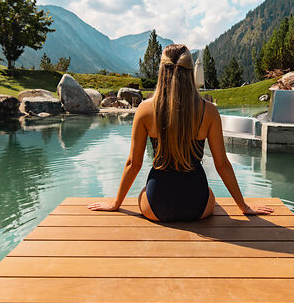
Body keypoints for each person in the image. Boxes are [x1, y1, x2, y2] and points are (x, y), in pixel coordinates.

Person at [87, 44, 273, 221]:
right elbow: (222, 164)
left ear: (162, 71)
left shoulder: (145, 110)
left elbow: (133, 164)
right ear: (190, 71)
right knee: (212, 195)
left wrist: (116, 203)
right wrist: (243, 206)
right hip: (198, 207)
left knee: (143, 193)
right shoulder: (208, 111)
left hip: (155, 206)